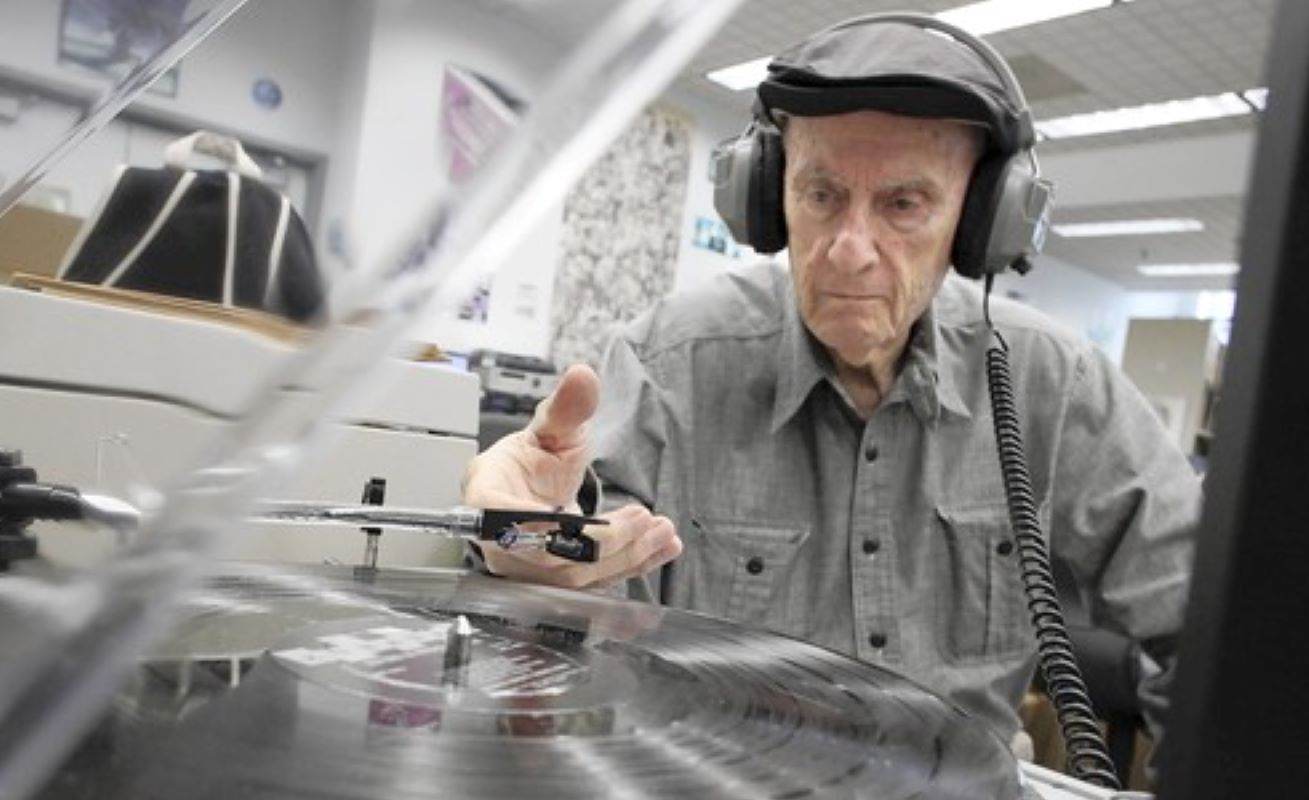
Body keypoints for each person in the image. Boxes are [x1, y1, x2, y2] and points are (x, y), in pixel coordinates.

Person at [461, 14, 1202, 744]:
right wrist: (528, 548)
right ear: (769, 198)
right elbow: (570, 603)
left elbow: (1225, 624)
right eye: (821, 195)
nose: (850, 251)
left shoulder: (1055, 384)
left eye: (903, 204)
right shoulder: (667, 366)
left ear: (980, 224)